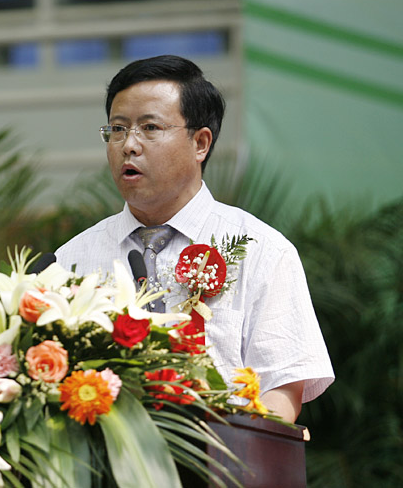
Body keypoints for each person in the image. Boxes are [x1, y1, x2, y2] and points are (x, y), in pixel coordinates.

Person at [55, 55, 333, 423]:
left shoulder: (263, 251)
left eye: (150, 128)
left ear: (200, 143)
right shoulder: (70, 261)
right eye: (117, 129)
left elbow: (280, 389)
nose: (128, 145)